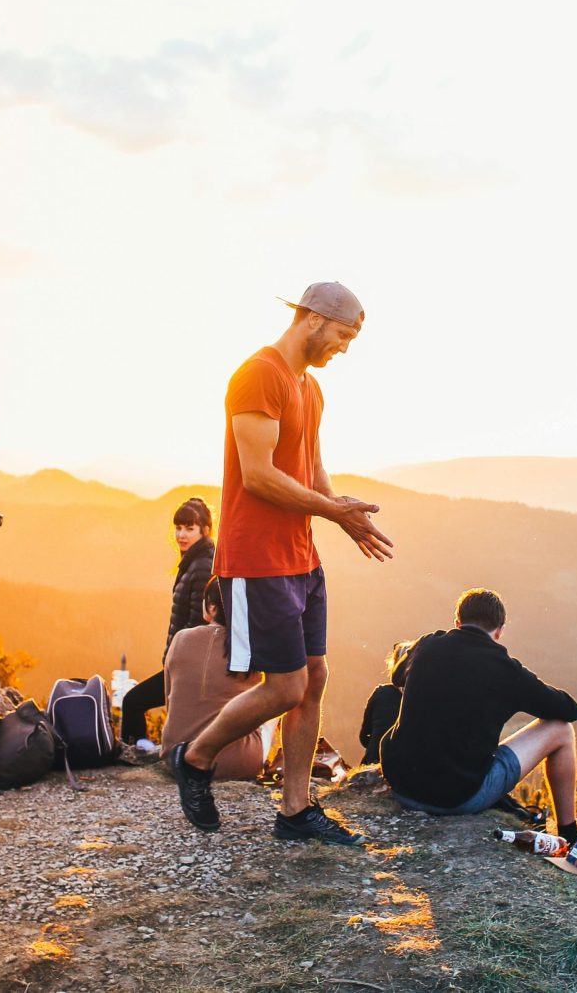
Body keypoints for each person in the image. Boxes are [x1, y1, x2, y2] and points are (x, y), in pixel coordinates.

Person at [168, 281, 393, 844]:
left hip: (301, 558)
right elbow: (258, 476)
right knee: (286, 686)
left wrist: (343, 511)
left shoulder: (309, 389)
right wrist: (333, 513)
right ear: (313, 319)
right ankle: (195, 758)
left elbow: (311, 470)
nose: (344, 348)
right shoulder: (260, 374)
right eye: (343, 335)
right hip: (256, 560)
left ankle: (295, 811)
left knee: (313, 679)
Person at [379, 589, 577, 843]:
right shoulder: (506, 670)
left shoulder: (427, 644)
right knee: (562, 730)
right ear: (499, 631)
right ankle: (569, 833)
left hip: (401, 782)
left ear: (457, 622)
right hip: (457, 798)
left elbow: (397, 677)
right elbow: (568, 711)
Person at [121, 497, 216, 754]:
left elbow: (199, 624)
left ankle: (135, 755)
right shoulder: (193, 562)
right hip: (181, 662)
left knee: (132, 701)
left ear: (204, 530)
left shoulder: (203, 566)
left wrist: (178, 664)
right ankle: (145, 753)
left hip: (188, 666)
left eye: (189, 528)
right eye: (178, 528)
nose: (181, 535)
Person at [160, 577, 270, 780]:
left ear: (211, 608)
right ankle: (269, 761)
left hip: (175, 756)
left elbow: (170, 699)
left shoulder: (181, 638)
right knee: (280, 693)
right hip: (235, 764)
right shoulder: (253, 644)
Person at [358, 640, 415, 765]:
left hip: (375, 762)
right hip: (408, 765)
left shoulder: (381, 693)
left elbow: (363, 737)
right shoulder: (421, 697)